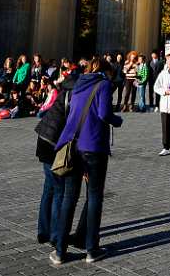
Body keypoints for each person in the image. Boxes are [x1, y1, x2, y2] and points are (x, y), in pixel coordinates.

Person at [51, 57, 122, 265]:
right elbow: (104, 114)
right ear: (106, 71)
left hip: (72, 144)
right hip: (93, 147)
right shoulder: (104, 85)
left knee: (69, 198)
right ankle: (92, 249)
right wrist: (117, 120)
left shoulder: (78, 84)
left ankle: (60, 251)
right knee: (94, 197)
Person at [34, 68, 77, 247]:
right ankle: (55, 234)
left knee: (48, 188)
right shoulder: (73, 97)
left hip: (42, 139)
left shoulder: (62, 93)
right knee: (59, 190)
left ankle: (42, 231)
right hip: (53, 144)